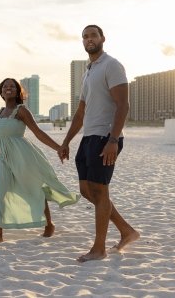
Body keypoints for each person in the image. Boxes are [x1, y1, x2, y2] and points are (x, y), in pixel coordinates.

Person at [58, 24, 140, 262]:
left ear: (103, 38)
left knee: (100, 192)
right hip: (88, 138)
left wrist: (113, 139)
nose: (89, 39)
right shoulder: (88, 71)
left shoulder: (111, 65)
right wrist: (65, 141)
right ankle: (126, 231)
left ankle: (99, 248)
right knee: (87, 191)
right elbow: (80, 112)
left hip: (106, 137)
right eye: (84, 36)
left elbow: (123, 105)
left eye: (93, 35)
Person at [0, 78, 80, 244]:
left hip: (22, 157)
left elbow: (38, 133)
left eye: (12, 86)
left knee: (34, 189)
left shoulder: (21, 111)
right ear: (1, 92)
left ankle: (49, 225)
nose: (8, 88)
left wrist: (59, 148)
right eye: (5, 86)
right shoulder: (0, 113)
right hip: (4, 159)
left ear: (18, 91)